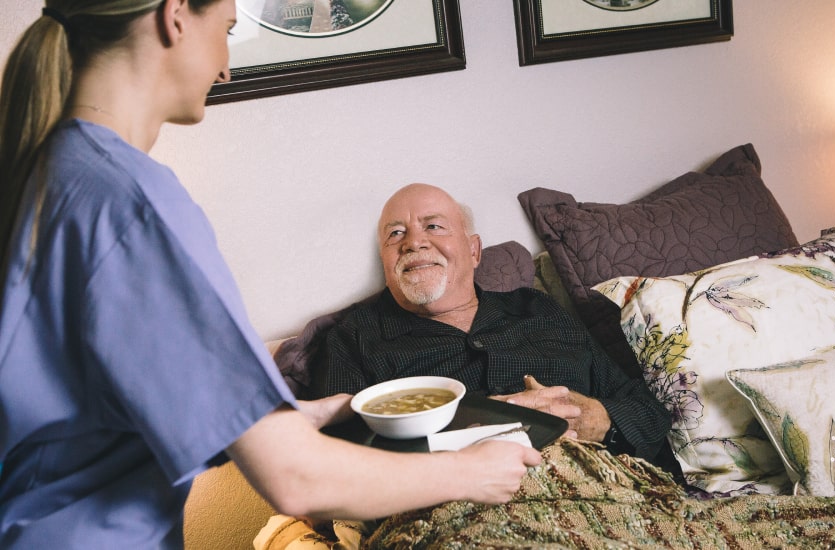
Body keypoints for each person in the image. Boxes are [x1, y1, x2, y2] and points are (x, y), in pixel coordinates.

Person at [0, 3, 541, 548]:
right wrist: (474, 470)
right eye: (228, 30)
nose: (226, 67)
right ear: (177, 15)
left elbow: (90, 404)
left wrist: (298, 416)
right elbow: (296, 479)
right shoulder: (131, 201)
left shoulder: (51, 173)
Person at [307, 183, 672, 462]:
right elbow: (335, 460)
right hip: (465, 505)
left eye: (434, 226)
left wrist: (596, 419)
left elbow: (648, 413)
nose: (414, 243)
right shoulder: (353, 338)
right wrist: (475, 430)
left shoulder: (537, 310)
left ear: (474, 250)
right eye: (395, 234)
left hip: (602, 483)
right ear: (386, 259)